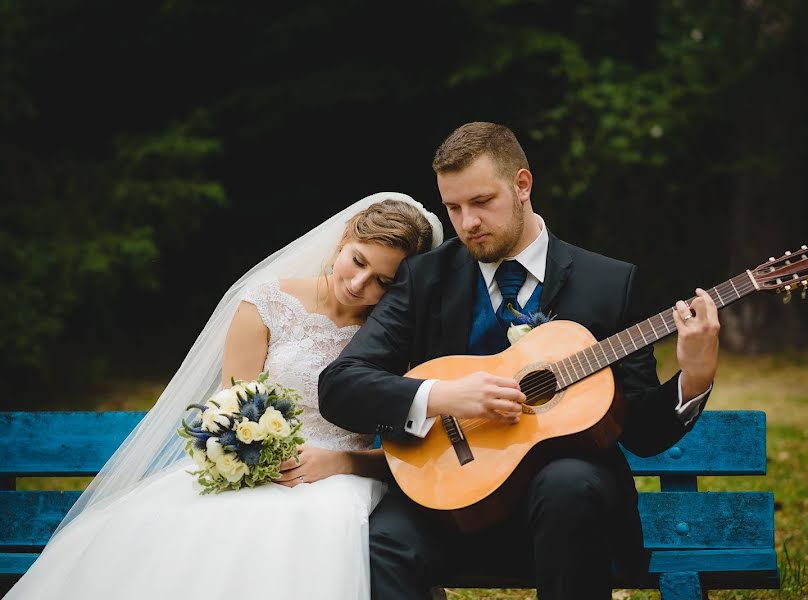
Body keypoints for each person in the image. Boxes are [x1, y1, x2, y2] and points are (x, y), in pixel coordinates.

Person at [318, 122, 721, 599]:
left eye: (481, 202)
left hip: (567, 518)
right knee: (381, 543)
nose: (467, 222)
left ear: (522, 185)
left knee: (569, 484)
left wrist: (695, 376)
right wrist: (447, 395)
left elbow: (642, 432)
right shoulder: (425, 278)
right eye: (453, 207)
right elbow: (340, 385)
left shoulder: (607, 283)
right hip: (448, 505)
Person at [4, 192, 444, 600]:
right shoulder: (269, 303)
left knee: (304, 536)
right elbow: (228, 408)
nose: (359, 284)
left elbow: (412, 447)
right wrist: (252, 455)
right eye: (358, 261)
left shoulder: (395, 338)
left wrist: (342, 462)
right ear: (345, 235)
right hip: (252, 468)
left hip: (339, 480)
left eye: (382, 282)